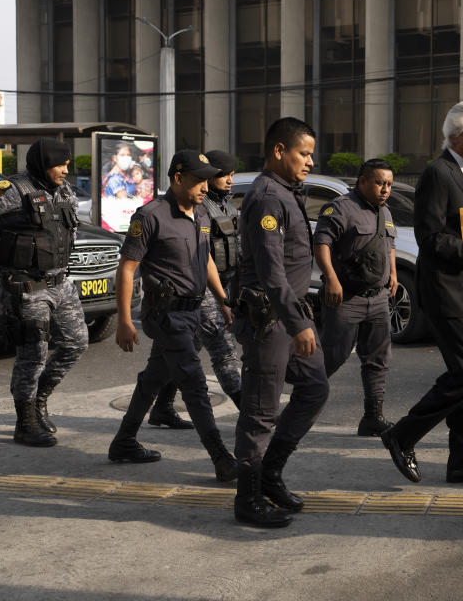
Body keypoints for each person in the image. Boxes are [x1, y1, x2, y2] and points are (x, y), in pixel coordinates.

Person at [380, 99, 463, 485]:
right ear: (455, 134)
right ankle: (402, 435)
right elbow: (430, 237)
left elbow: (457, 229)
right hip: (445, 293)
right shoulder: (438, 173)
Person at [108, 150, 238, 484]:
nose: (205, 187)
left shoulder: (202, 215)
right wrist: (124, 320)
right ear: (178, 178)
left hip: (193, 311)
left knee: (153, 378)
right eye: (198, 180)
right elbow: (127, 268)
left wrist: (222, 298)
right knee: (195, 384)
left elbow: (206, 258)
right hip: (165, 315)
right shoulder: (150, 216)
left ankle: (124, 442)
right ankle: (221, 458)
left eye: (208, 180)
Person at [232, 117, 329, 528]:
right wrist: (298, 323)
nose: (309, 161)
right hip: (270, 320)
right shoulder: (269, 197)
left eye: (310, 154)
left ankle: (269, 474)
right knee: (260, 410)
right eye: (303, 153)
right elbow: (272, 271)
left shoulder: (287, 192)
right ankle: (247, 497)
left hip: (287, 315)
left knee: (314, 387)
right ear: (278, 151)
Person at [0, 139, 88, 447]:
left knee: (76, 342)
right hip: (26, 287)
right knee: (32, 354)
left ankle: (39, 400)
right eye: (59, 165)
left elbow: (69, 229)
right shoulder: (11, 188)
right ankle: (25, 423)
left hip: (60, 283)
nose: (65, 170)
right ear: (42, 163)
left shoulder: (63, 190)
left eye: (67, 165)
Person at [148, 150, 244, 429]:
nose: (229, 180)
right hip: (198, 292)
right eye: (224, 175)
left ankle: (161, 407)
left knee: (178, 354)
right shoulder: (198, 210)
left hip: (220, 289)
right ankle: (248, 410)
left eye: (232, 175)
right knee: (223, 351)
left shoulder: (228, 207)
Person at [314, 158, 398, 437]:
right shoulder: (341, 208)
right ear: (362, 181)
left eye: (388, 184)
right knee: (332, 357)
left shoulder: (385, 211)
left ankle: (373, 417)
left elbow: (389, 246)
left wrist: (393, 275)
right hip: (346, 299)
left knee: (378, 359)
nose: (385, 189)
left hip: (378, 299)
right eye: (379, 183)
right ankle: (300, 407)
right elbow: (322, 244)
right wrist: (332, 280)